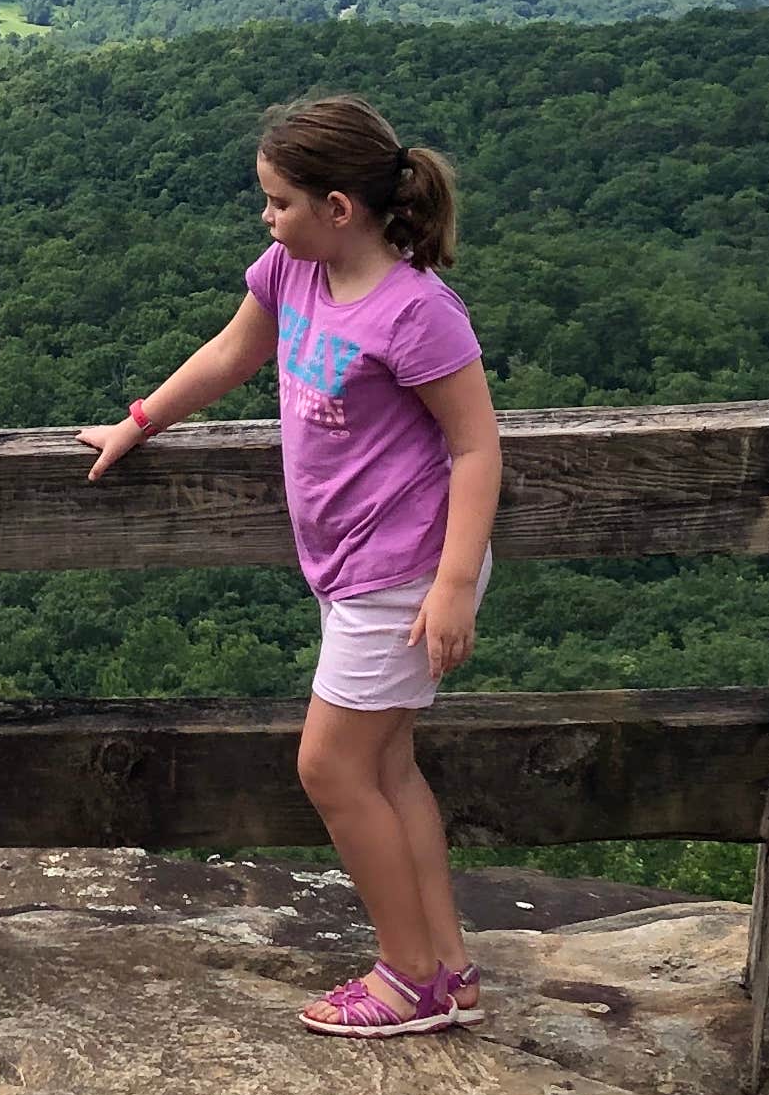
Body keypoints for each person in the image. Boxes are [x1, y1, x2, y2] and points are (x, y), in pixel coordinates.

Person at [80, 94, 501, 1038]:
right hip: (350, 569)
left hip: (402, 575)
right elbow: (233, 352)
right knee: (388, 768)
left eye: (278, 201)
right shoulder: (292, 271)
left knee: (330, 768)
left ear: (339, 208)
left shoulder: (417, 312)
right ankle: (450, 967)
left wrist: (451, 586)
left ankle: (406, 976)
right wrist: (139, 421)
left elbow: (477, 449)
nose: (265, 217)